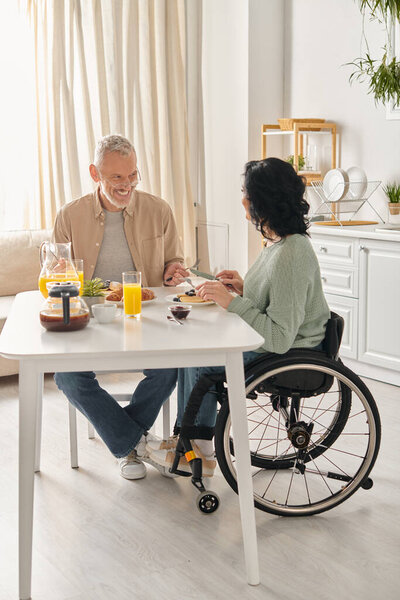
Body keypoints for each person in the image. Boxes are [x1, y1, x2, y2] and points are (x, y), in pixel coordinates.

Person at [147, 157, 331, 476]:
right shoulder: (279, 244)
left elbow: (278, 337)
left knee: (201, 357)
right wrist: (237, 287)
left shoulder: (290, 254)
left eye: (245, 191)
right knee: (194, 347)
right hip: (276, 343)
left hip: (289, 354)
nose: (242, 199)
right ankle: (189, 438)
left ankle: (200, 451)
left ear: (262, 200)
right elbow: (276, 301)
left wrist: (232, 302)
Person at [54, 134, 190, 480]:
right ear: (94, 173)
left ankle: (127, 444)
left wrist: (173, 271)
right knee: (67, 376)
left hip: (145, 318)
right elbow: (59, 278)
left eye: (132, 175)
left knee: (170, 369)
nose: (126, 185)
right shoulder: (70, 216)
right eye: (116, 177)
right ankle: (139, 444)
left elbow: (174, 261)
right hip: (89, 321)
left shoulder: (159, 210)